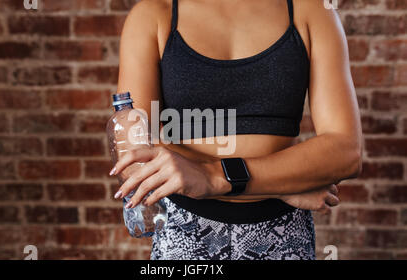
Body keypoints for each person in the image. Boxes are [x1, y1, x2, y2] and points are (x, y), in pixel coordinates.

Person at [111, 0, 362, 260]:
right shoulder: (152, 15)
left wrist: (214, 176)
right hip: (185, 232)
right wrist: (277, 185)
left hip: (282, 233)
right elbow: (135, 160)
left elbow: (346, 151)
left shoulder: (311, 10)